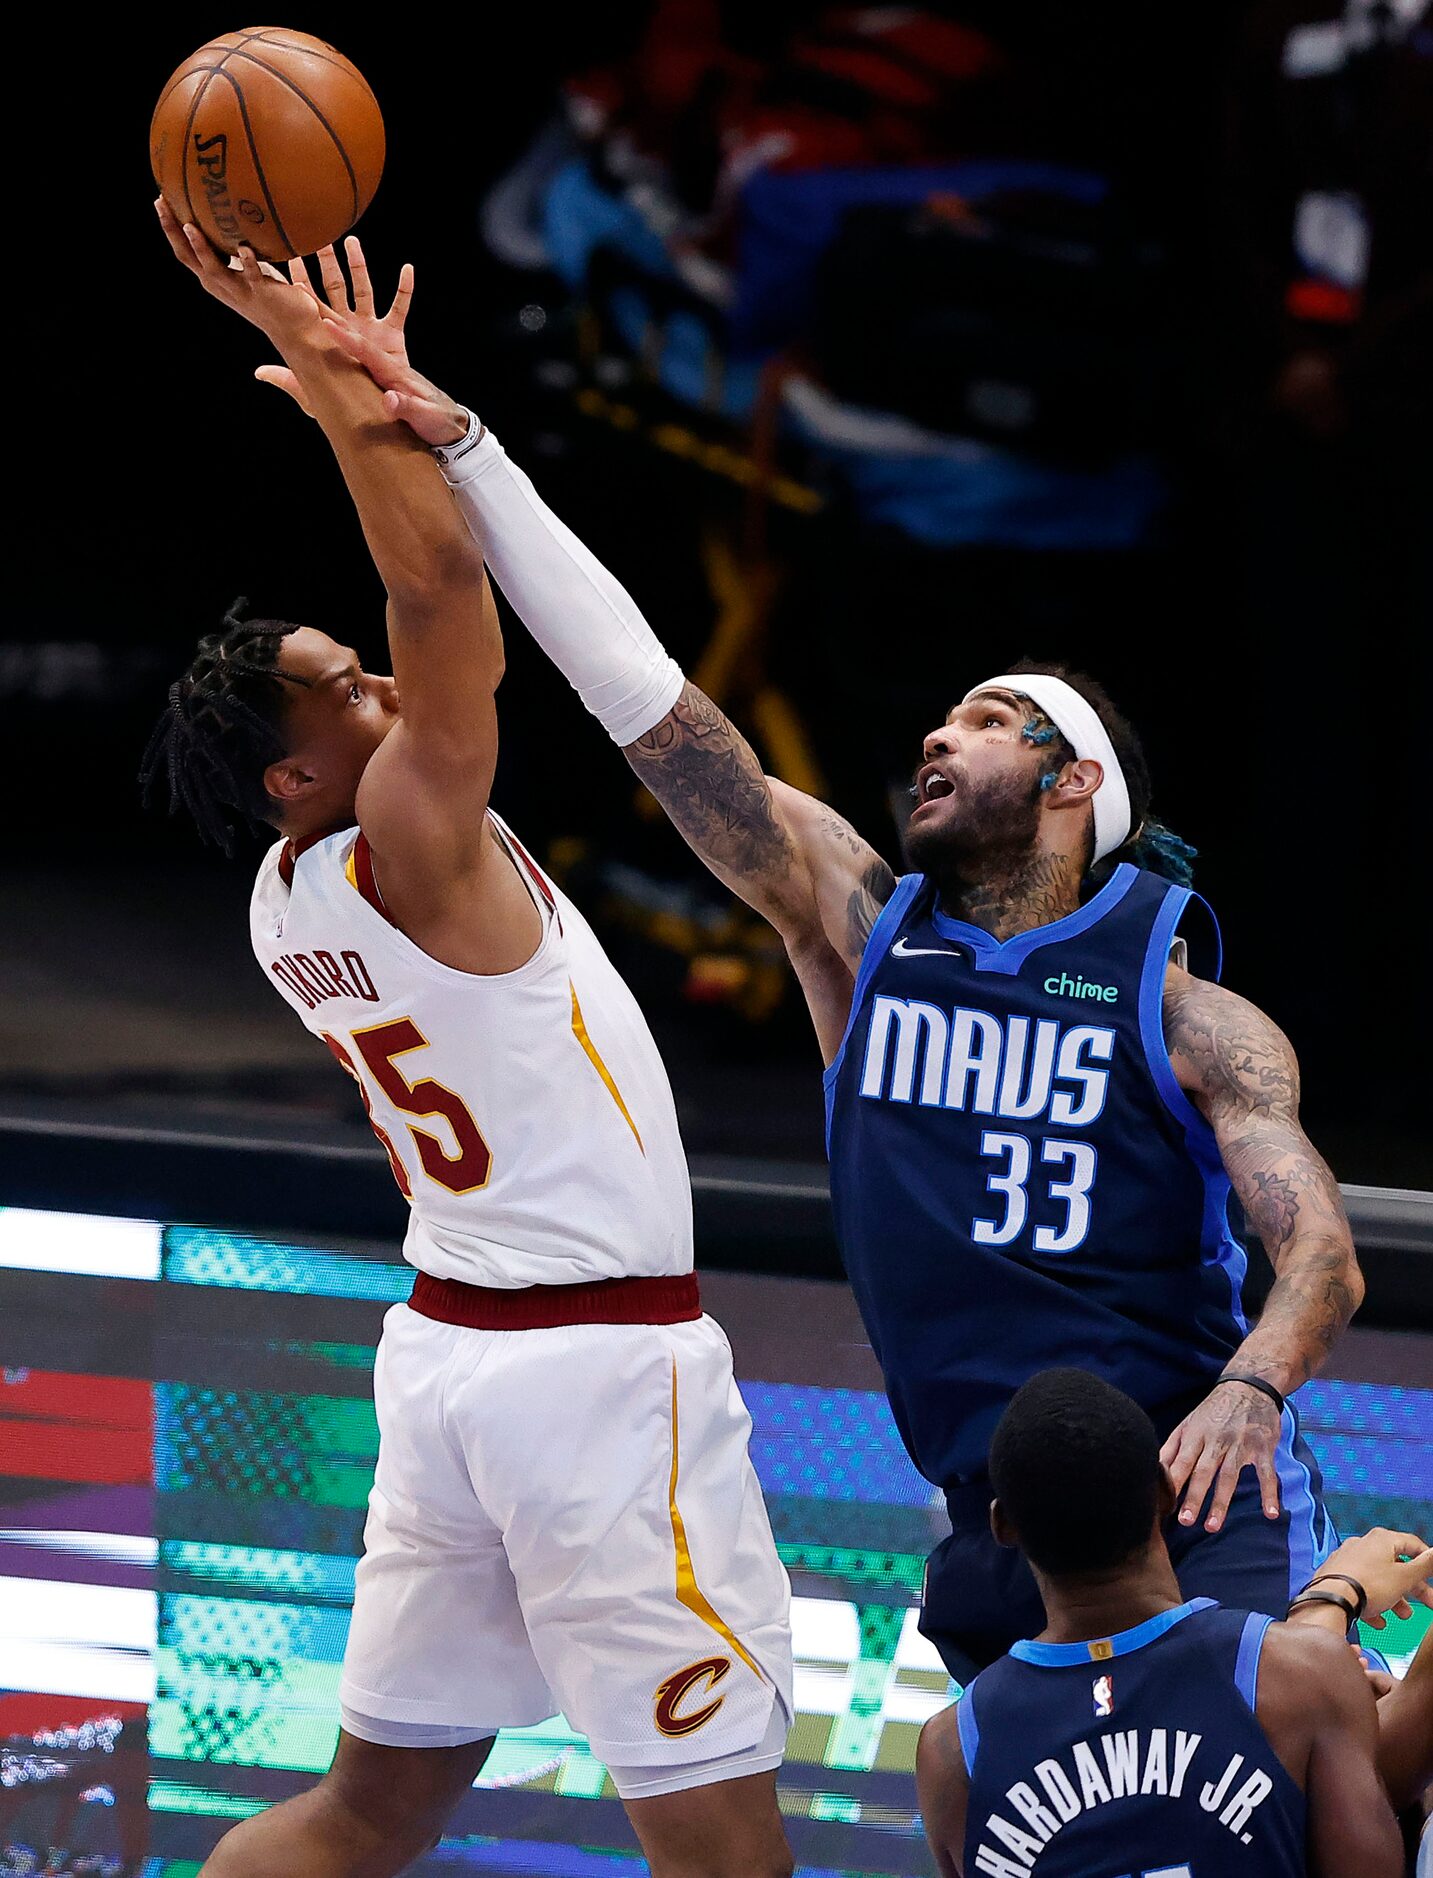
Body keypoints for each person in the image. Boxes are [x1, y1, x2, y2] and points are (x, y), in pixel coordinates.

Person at [304, 256, 1366, 1681]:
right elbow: (656, 712)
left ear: (1074, 780)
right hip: (994, 1518)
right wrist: (473, 456)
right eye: (937, 717)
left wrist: (1248, 1389)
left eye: (985, 721)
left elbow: (1321, 1255)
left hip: (1194, 1495)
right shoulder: (867, 933)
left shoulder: (1181, 1009)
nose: (936, 737)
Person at [143, 204, 795, 1878]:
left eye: (363, 674)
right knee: (725, 1850)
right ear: (295, 778)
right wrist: (347, 378)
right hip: (591, 1373)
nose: (381, 689)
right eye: (344, 693)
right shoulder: (404, 836)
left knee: (366, 1813)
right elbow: (439, 584)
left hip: (445, 1357)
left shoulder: (286, 905)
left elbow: (412, 611)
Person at [915, 1368, 1431, 1877]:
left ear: (1002, 1526)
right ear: (1166, 1491)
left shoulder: (952, 1753)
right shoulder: (1297, 1675)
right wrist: (1330, 1605)